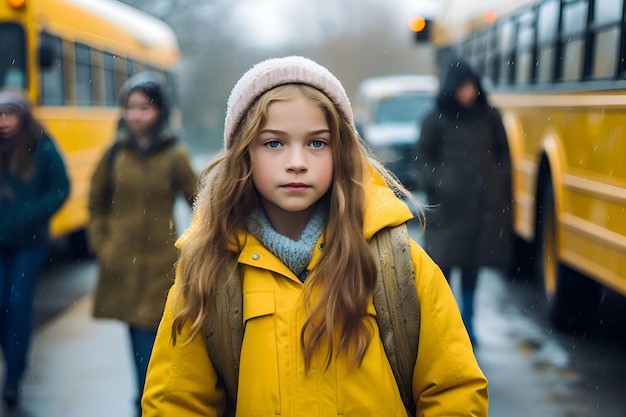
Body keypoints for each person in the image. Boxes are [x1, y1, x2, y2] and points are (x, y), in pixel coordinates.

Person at [142, 56, 488, 416]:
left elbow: (455, 389)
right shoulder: (210, 269)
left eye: (317, 143)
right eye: (274, 143)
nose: (297, 162)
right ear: (244, 154)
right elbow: (175, 402)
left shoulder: (395, 260)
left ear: (341, 151)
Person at [87, 73, 198, 416]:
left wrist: (194, 249)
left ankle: (148, 401)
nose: (136, 115)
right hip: (121, 261)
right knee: (134, 335)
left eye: (144, 108)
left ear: (159, 111)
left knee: (152, 339)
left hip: (160, 262)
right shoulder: (113, 155)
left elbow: (198, 201)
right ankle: (143, 400)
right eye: (130, 107)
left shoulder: (174, 154)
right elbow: (96, 203)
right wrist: (103, 245)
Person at [415, 60, 512, 345]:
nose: (468, 93)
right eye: (462, 87)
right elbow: (423, 159)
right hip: (446, 210)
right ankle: (445, 326)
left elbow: (502, 156)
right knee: (441, 270)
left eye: (471, 86)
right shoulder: (436, 118)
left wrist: (498, 186)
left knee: (472, 268)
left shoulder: (489, 117)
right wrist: (440, 184)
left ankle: (468, 326)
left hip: (480, 208)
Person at [0, 89, 70, 408]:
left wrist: (31, 214)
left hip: (30, 241)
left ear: (23, 116)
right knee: (2, 304)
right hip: (1, 241)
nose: (4, 122)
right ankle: (12, 361)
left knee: (19, 301)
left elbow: (61, 188)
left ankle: (14, 375)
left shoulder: (41, 145)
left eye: (9, 114)